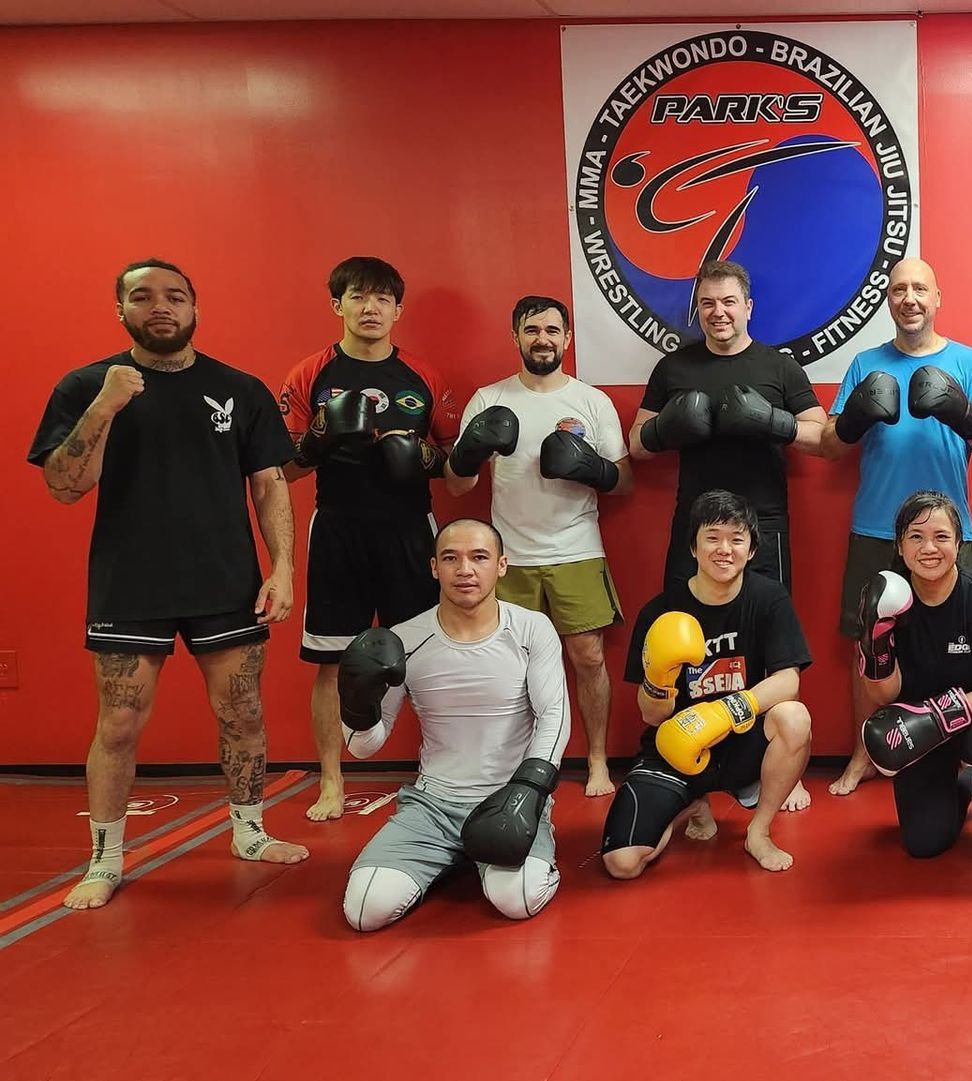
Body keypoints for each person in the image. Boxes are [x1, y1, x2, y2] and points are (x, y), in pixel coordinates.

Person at [29, 259, 309, 910]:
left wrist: (285, 565)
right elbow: (65, 486)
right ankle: (105, 856)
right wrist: (107, 401)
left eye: (175, 296)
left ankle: (249, 831)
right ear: (120, 309)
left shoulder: (239, 387)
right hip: (131, 582)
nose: (161, 306)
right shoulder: (84, 385)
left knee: (242, 712)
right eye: (143, 296)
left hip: (226, 579)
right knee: (120, 723)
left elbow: (268, 484)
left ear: (195, 310)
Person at [279, 256, 460, 822]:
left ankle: (442, 772)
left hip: (410, 529)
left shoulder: (424, 378)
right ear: (338, 305)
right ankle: (332, 782)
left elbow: (457, 464)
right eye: (359, 297)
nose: (371, 308)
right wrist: (318, 439)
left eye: (383, 299)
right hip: (338, 527)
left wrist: (424, 456)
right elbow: (284, 469)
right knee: (332, 662)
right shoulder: (309, 374)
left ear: (398, 310)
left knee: (432, 654)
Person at [824, 258, 972, 795]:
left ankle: (962, 755)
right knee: (869, 648)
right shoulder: (865, 362)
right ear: (888, 298)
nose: (910, 298)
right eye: (899, 288)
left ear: (937, 297)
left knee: (961, 647)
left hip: (949, 533)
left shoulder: (968, 362)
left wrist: (961, 411)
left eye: (919, 289)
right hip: (877, 527)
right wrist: (856, 415)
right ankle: (864, 752)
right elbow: (834, 445)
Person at [338, 519, 570, 930]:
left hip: (509, 796)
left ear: (501, 565)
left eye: (479, 557)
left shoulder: (531, 629)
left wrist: (529, 790)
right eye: (451, 558)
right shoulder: (405, 639)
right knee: (363, 912)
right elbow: (363, 746)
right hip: (433, 804)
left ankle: (511, 853)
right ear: (434, 567)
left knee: (517, 900)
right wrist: (357, 701)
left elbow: (553, 715)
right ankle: (450, 854)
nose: (465, 569)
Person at [446, 295, 633, 798]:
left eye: (553, 330)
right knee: (509, 664)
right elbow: (458, 486)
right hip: (510, 556)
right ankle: (518, 767)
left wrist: (591, 467)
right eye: (532, 330)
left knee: (588, 656)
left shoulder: (592, 402)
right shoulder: (489, 399)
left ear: (567, 338)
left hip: (576, 547)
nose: (543, 339)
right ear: (516, 337)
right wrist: (468, 452)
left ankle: (596, 762)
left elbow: (625, 481)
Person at [602, 491, 814, 877]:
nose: (725, 549)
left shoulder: (768, 598)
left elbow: (788, 681)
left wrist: (725, 710)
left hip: (741, 742)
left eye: (737, 538)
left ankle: (759, 832)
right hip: (675, 744)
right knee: (622, 864)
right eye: (712, 537)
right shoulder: (660, 611)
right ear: (693, 547)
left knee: (794, 717)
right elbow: (650, 715)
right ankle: (692, 803)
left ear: (751, 550)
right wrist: (660, 681)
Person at [856, 491, 972, 905]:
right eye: (916, 537)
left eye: (941, 536)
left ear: (959, 543)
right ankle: (967, 786)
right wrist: (874, 640)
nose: (929, 548)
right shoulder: (887, 599)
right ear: (899, 546)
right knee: (924, 843)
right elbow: (883, 695)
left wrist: (933, 714)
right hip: (916, 730)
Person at [628, 260, 827, 595]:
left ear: (747, 307)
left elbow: (821, 437)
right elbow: (636, 444)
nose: (718, 312)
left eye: (728, 302)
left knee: (766, 629)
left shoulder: (780, 368)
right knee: (685, 630)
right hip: (696, 524)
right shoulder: (672, 368)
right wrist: (665, 429)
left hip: (763, 523)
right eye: (707, 303)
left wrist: (770, 421)